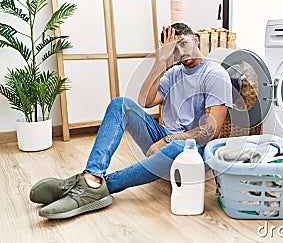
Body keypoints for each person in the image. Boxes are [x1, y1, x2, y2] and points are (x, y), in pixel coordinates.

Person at [29, 23, 233, 219]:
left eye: (184, 44)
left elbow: (210, 131)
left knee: (177, 146)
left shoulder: (215, 74)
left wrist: (167, 141)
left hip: (194, 151)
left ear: (195, 40)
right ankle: (92, 175)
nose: (181, 53)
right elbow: (145, 101)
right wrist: (159, 62)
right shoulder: (173, 73)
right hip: (163, 139)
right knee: (120, 104)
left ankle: (93, 186)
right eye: (174, 49)